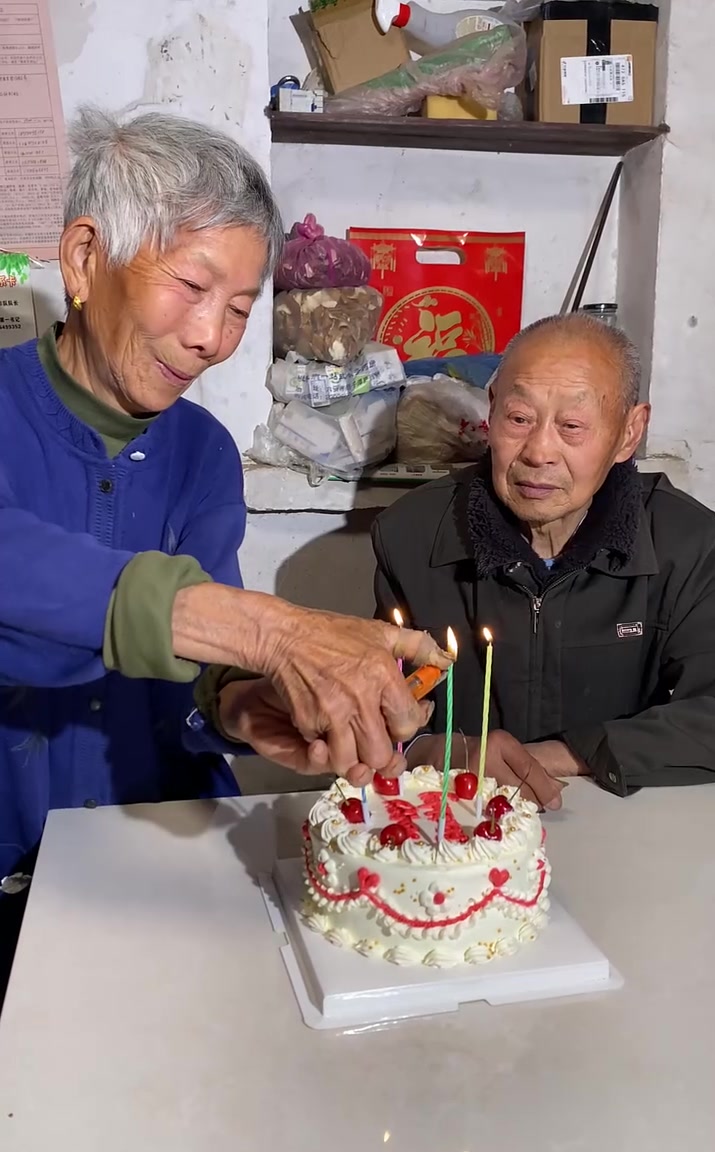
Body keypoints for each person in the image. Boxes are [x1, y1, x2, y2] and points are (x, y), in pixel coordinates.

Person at [0, 106, 446, 993]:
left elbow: (206, 655)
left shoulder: (202, 450)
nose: (213, 337)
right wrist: (270, 633)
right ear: (86, 260)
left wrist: (246, 706)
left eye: (240, 306)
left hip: (161, 874)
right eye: (193, 286)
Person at [372, 312, 715, 809]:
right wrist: (440, 751)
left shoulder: (688, 545)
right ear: (491, 414)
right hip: (455, 826)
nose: (538, 452)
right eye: (519, 419)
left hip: (617, 821)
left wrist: (562, 755)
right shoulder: (411, 535)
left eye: (572, 426)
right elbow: (373, 716)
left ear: (630, 431)